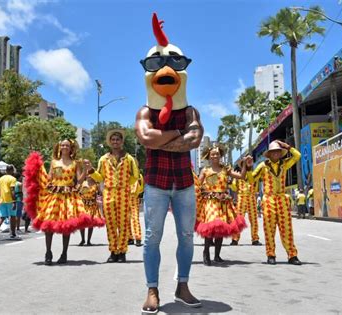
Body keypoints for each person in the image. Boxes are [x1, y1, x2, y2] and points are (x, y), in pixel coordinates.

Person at [135, 13, 204, 313]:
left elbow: (195, 141)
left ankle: (183, 285)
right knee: (152, 238)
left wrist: (163, 138)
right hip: (155, 185)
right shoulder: (144, 111)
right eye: (156, 65)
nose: (166, 70)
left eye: (176, 64)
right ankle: (152, 290)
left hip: (185, 184)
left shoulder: (191, 111)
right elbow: (146, 139)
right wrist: (176, 134)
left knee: (187, 238)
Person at [24, 139, 94, 265]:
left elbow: (78, 180)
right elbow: (49, 178)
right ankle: (48, 252)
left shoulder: (75, 163)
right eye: (62, 145)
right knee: (48, 225)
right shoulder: (54, 162)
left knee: (66, 226)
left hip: (68, 196)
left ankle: (64, 253)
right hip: (54, 195)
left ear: (71, 148)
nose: (64, 147)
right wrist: (37, 171)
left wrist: (86, 170)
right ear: (59, 147)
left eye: (67, 145)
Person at [86, 129, 139, 263]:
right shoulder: (104, 159)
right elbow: (100, 177)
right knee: (110, 224)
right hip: (108, 194)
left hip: (123, 193)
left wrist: (126, 184)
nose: (115, 142)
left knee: (123, 224)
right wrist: (91, 170)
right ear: (110, 142)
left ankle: (122, 251)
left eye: (118, 139)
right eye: (113, 140)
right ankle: (113, 251)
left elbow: (135, 176)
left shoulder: (129, 158)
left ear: (122, 141)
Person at [246, 140, 302, 266]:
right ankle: (270, 254)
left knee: (287, 229)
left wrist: (286, 145)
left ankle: (292, 255)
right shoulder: (263, 166)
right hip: (269, 200)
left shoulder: (285, 164)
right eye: (273, 152)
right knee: (269, 229)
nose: (276, 154)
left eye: (278, 151)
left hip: (282, 199)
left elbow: (297, 155)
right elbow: (251, 179)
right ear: (269, 154)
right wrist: (249, 167)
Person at [196, 145, 247, 266]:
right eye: (212, 154)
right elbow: (197, 184)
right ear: (209, 156)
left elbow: (241, 176)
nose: (215, 156)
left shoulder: (226, 169)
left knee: (221, 229)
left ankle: (217, 255)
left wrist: (244, 165)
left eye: (217, 154)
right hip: (210, 202)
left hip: (223, 203)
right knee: (210, 227)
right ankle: (206, 253)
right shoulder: (205, 170)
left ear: (220, 156)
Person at [230, 162, 262, 246]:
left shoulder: (240, 174)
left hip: (245, 197)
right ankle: (253, 239)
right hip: (247, 197)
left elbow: (233, 186)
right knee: (249, 219)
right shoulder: (245, 174)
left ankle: (236, 239)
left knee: (249, 219)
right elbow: (234, 186)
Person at [0, 165, 17, 241]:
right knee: (12, 216)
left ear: (6, 170)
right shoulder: (13, 179)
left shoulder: (1, 179)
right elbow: (12, 190)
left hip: (2, 200)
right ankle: (13, 234)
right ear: (12, 171)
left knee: (2, 217)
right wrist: (14, 201)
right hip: (10, 200)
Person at [78, 176, 105, 246]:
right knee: (82, 223)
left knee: (91, 224)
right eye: (88, 174)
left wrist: (100, 206)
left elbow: (100, 194)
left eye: (91, 174)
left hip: (93, 206)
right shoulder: (82, 183)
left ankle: (88, 240)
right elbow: (79, 194)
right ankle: (82, 239)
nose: (89, 176)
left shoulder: (96, 185)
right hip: (84, 205)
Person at [128, 173, 144, 247]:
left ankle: (136, 238)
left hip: (133, 197)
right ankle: (130, 238)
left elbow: (141, 188)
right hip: (127, 197)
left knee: (134, 218)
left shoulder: (138, 176)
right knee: (126, 218)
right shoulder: (138, 175)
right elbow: (141, 189)